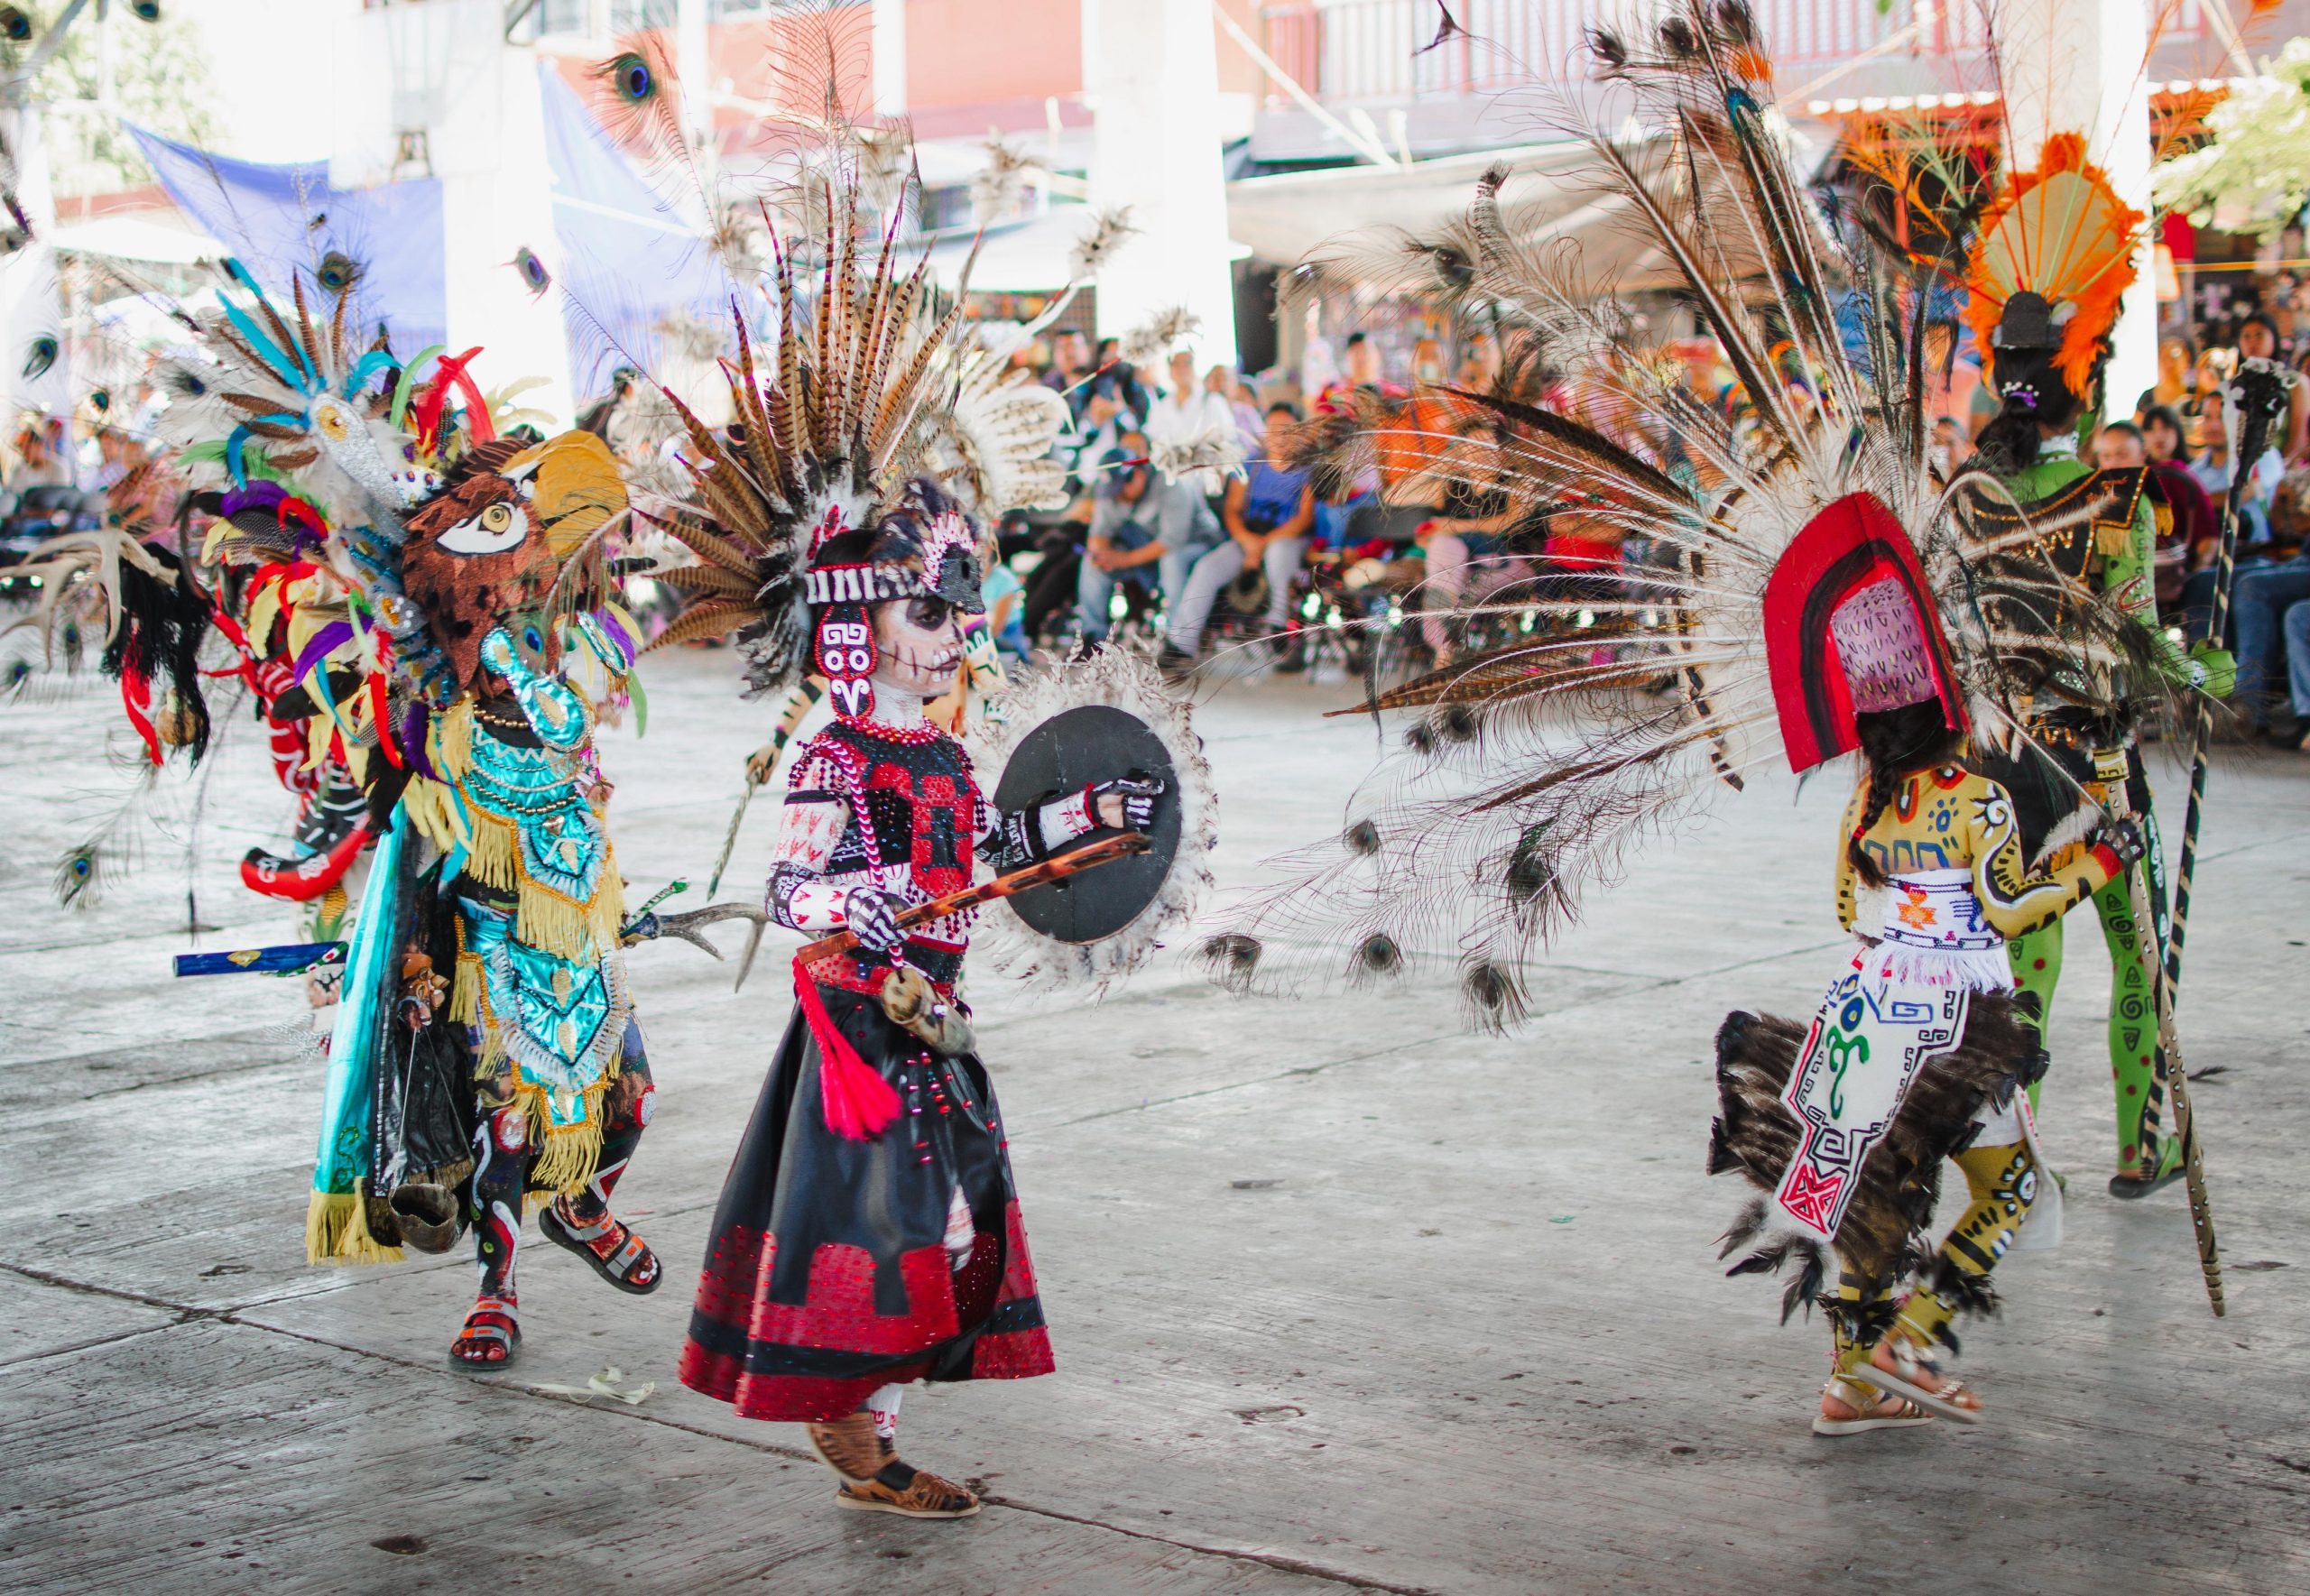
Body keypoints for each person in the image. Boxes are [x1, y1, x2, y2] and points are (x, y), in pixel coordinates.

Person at [679, 475, 1161, 1519]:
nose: (957, 633)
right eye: (931, 611)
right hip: (860, 1027)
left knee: (942, 1237)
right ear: (856, 627)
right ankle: (856, 1429)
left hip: (933, 1025)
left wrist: (1092, 810)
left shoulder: (941, 751)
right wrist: (853, 897)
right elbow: (788, 889)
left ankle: (873, 1438)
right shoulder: (832, 755)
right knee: (913, 1229)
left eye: (960, 611)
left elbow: (996, 848)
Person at [1714, 587, 2139, 1435]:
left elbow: (1849, 909)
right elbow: (2011, 912)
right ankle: (1909, 1345)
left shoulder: (1865, 800)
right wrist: (2102, 860)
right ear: (1948, 711)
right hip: (1956, 1023)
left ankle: (1850, 1387)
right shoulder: (1975, 798)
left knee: (1880, 1198)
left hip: (1870, 1011)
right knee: (2009, 1187)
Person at [1160, 402, 1317, 674]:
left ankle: (1277, 624)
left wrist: (1262, 546)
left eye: (1287, 429)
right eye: (1273, 428)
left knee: (1279, 553)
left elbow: (1305, 518)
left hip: (1288, 539)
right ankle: (1182, 642)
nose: (1279, 436)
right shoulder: (1251, 465)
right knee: (1207, 568)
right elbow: (1233, 510)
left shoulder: (1308, 470)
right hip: (1248, 537)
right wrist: (1247, 541)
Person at [1074, 447, 1216, 646]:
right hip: (1144, 549)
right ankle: (1093, 637)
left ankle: (1178, 641)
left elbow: (1171, 542)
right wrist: (1101, 553)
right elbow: (1099, 534)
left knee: (1172, 561)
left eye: (1121, 489)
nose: (1117, 496)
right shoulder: (1111, 490)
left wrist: (1123, 559)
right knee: (1092, 564)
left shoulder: (1171, 483)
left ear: (1138, 475)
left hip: (1196, 545)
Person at [2140, 404, 2221, 623]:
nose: (2159, 436)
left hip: (2174, 573)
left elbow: (2208, 536)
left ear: (2177, 432)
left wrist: (2196, 572)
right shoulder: (2132, 480)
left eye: (2165, 428)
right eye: (2151, 429)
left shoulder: (2184, 477)